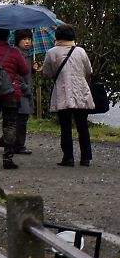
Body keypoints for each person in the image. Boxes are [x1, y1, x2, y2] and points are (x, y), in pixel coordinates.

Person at [42, 23, 94, 167]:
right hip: (80, 92)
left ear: (57, 37)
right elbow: (89, 71)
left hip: (63, 92)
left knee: (65, 126)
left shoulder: (52, 52)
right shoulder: (81, 51)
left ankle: (68, 158)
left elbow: (47, 74)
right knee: (82, 126)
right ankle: (86, 158)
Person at [0, 27, 29, 170]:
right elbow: (24, 71)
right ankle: (8, 158)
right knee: (10, 125)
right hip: (11, 93)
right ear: (6, 36)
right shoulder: (14, 52)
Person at [12, 29, 36, 154]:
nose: (27, 42)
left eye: (29, 39)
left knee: (21, 118)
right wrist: (25, 87)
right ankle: (18, 145)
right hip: (20, 90)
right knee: (21, 118)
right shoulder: (18, 54)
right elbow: (16, 74)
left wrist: (34, 68)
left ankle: (9, 140)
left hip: (24, 89)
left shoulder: (27, 54)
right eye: (24, 39)